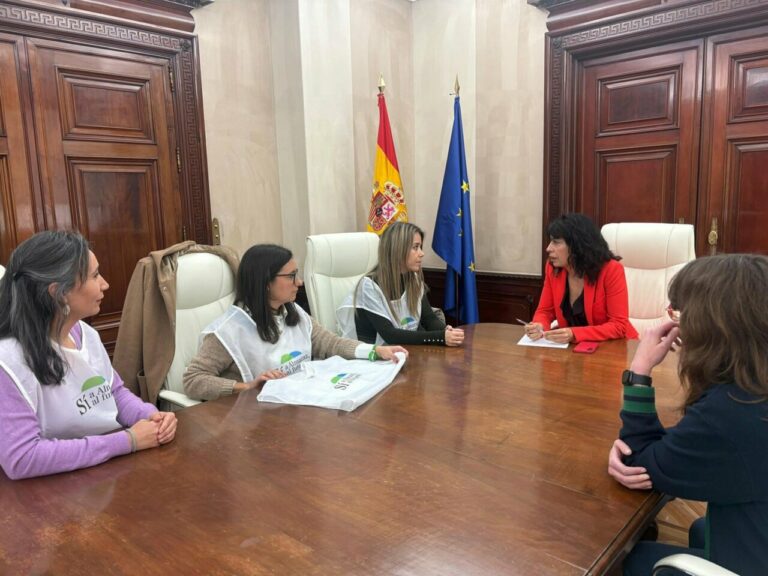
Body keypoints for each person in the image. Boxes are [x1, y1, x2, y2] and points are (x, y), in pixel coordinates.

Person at [608, 254, 768, 576]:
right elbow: (699, 449)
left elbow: (641, 463)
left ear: (709, 326)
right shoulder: (752, 391)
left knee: (628, 558)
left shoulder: (731, 410)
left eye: (681, 313)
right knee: (698, 529)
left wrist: (639, 372)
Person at [0, 231, 177, 480]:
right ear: (58, 292)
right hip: (50, 497)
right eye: (95, 276)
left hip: (104, 472)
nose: (105, 284)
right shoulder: (8, 361)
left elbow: (113, 392)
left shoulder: (85, 334)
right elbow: (23, 458)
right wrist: (128, 440)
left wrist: (150, 415)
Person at [182, 244, 408, 401]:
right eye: (291, 276)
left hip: (297, 407)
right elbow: (193, 380)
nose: (299, 282)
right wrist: (246, 387)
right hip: (254, 425)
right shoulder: (229, 331)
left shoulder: (292, 312)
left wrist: (375, 351)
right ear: (265, 282)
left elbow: (330, 343)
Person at [337, 222, 464, 347]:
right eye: (415, 247)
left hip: (404, 352)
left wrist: (447, 332)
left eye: (420, 247)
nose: (421, 253)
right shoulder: (369, 286)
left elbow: (429, 319)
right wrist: (440, 337)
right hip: (375, 359)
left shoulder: (412, 278)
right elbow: (390, 335)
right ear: (398, 249)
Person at [525, 213, 637, 343]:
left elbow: (619, 326)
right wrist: (539, 325)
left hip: (613, 348)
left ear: (577, 246)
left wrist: (574, 334)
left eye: (556, 242)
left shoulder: (611, 270)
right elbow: (545, 311)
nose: (548, 248)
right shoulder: (553, 269)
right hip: (572, 351)